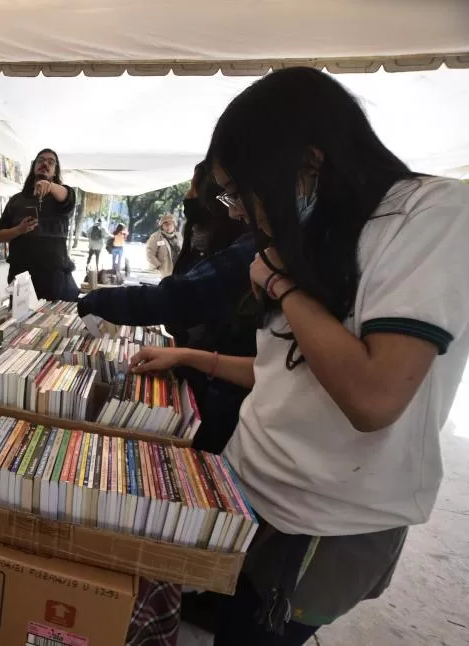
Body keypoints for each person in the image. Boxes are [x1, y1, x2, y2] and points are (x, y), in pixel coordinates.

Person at [131, 67, 469, 644]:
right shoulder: (319, 231)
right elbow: (284, 373)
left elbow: (372, 396)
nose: (235, 210)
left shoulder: (431, 214)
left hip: (321, 518)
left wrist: (282, 286)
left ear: (308, 165)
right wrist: (189, 356)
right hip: (249, 486)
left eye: (239, 191)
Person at [78, 160, 256, 454]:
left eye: (193, 189)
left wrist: (99, 300)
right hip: (214, 376)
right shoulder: (217, 237)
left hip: (226, 398)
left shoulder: (251, 251)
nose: (187, 197)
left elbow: (177, 297)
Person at [0, 149, 79, 301]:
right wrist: (18, 230)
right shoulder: (16, 201)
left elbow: (67, 195)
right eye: (41, 160)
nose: (45, 163)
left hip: (55, 279)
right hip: (21, 278)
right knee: (20, 323)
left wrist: (49, 185)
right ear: (34, 166)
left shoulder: (62, 197)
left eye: (51, 162)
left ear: (55, 171)